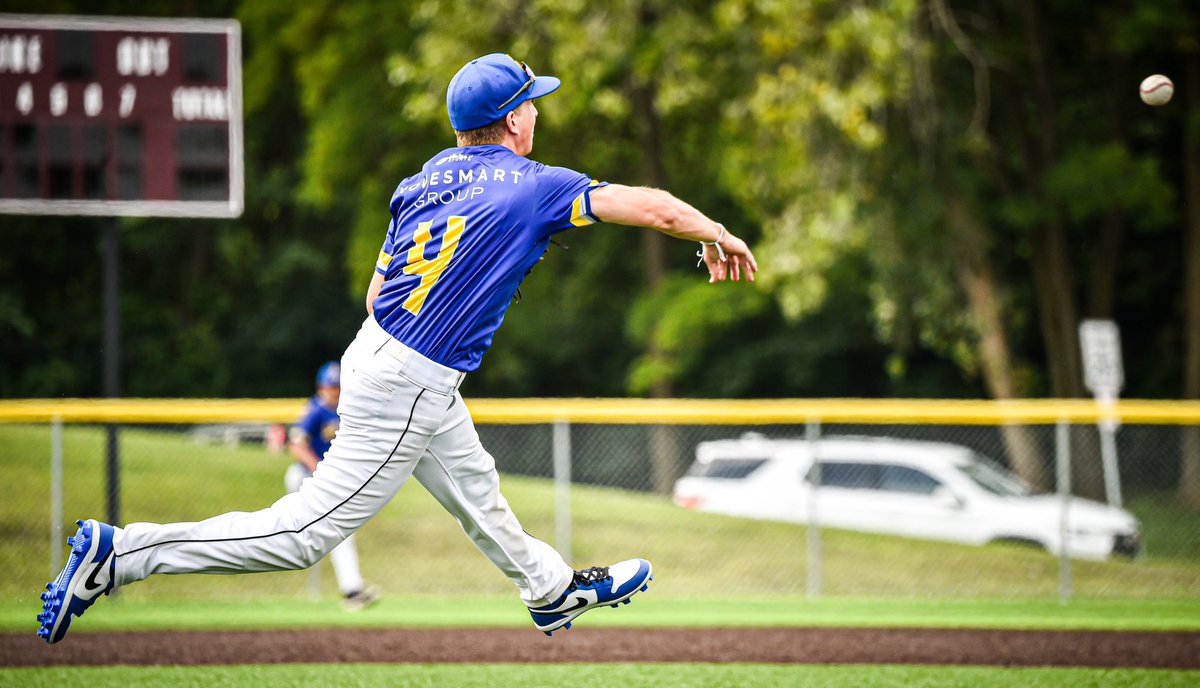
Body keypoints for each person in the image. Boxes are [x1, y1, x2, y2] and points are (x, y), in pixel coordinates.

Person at [36, 52, 758, 644]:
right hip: (409, 376)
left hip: (378, 353)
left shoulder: (422, 180)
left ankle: (550, 590)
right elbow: (656, 207)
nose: (538, 108)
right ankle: (122, 554)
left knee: (477, 491)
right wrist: (716, 233)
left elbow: (377, 290)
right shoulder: (534, 186)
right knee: (303, 534)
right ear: (511, 118)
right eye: (531, 99)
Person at [287, 361, 380, 611]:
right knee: (319, 531)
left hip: (328, 480)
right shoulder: (315, 410)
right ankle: (351, 590)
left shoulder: (346, 409)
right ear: (320, 387)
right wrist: (319, 469)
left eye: (336, 387)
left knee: (338, 532)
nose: (333, 392)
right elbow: (296, 445)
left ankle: (352, 590)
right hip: (305, 476)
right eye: (329, 387)